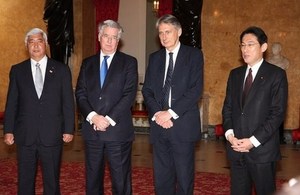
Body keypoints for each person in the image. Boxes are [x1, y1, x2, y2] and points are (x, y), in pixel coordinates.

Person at [3, 28, 75, 194]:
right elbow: (12, 102)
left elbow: (68, 103)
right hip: (25, 135)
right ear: (26, 46)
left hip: (52, 134)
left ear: (46, 44)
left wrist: (68, 129)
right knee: (25, 181)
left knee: (51, 181)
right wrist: (8, 130)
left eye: (39, 41)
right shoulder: (17, 70)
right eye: (31, 42)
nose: (35, 45)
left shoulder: (61, 70)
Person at [222, 26, 288, 195]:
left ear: (263, 47)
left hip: (262, 151)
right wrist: (230, 136)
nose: (245, 49)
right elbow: (228, 107)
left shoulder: (276, 75)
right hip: (236, 149)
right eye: (242, 45)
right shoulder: (235, 74)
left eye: (250, 44)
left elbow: (277, 113)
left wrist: (253, 141)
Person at [142, 14, 203, 195]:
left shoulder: (193, 55)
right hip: (159, 126)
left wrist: (170, 113)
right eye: (161, 33)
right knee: (162, 179)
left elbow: (195, 90)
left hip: (182, 126)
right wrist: (158, 114)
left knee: (184, 179)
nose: (163, 36)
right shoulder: (155, 58)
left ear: (179, 32)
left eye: (168, 32)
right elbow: (147, 90)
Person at [75, 20, 138, 194]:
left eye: (114, 37)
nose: (109, 41)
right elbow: (80, 93)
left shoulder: (129, 62)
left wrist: (108, 120)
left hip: (117, 132)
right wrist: (93, 116)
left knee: (121, 181)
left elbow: (129, 95)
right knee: (93, 180)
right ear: (99, 37)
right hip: (92, 131)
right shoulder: (87, 63)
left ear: (118, 41)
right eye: (106, 36)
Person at [267, 42, 290, 144]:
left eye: (276, 48)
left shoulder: (285, 61)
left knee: (279, 110)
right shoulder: (269, 61)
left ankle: (280, 137)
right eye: (273, 48)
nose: (273, 50)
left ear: (280, 49)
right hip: (269, 89)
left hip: (280, 88)